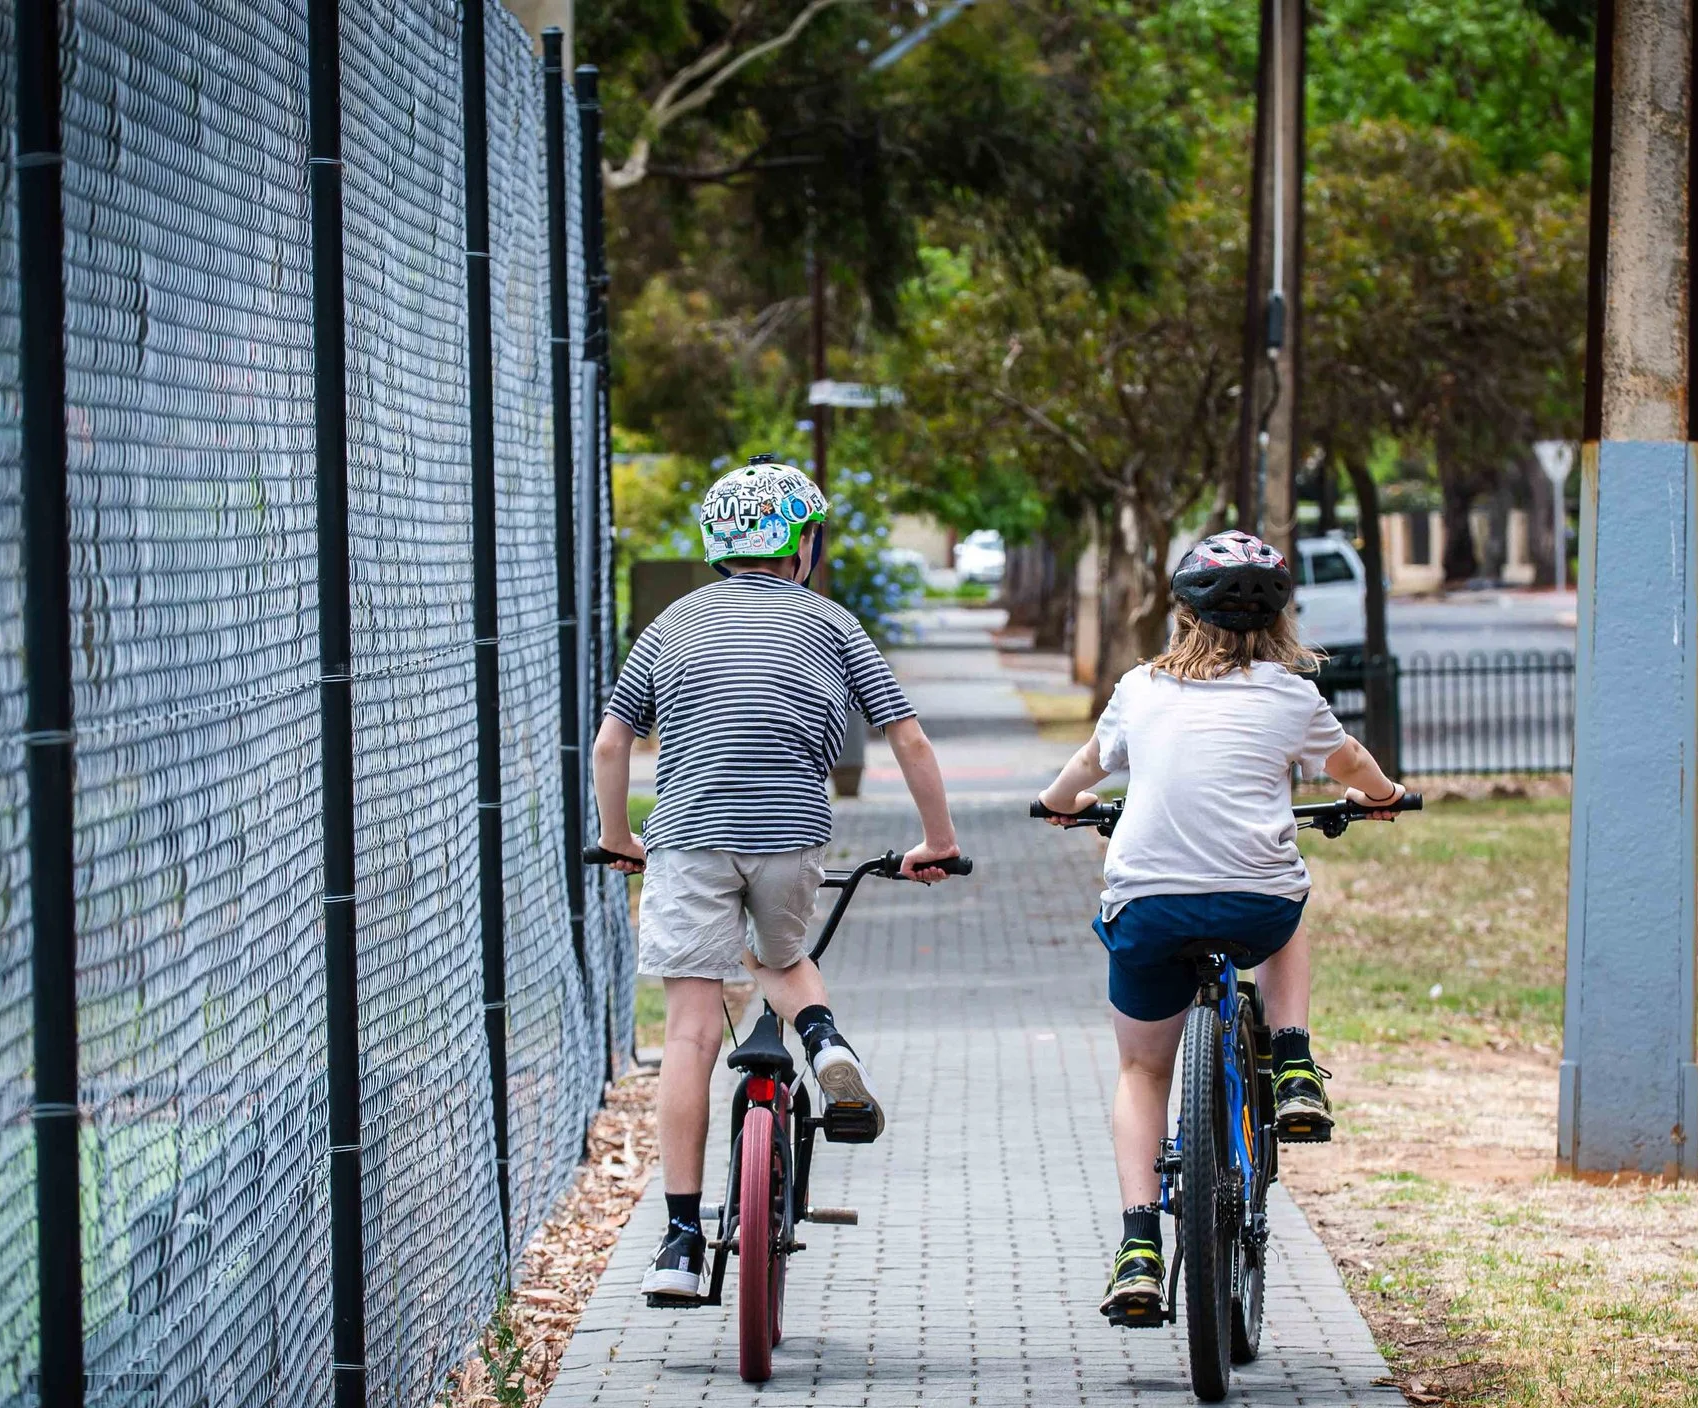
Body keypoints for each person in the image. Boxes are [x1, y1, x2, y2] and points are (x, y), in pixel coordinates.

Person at [592, 457, 962, 1305]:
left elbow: (612, 745)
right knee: (784, 955)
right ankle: (826, 1038)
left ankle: (682, 1241)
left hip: (686, 839)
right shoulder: (833, 625)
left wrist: (619, 836)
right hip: (790, 836)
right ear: (804, 544)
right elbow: (906, 737)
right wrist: (936, 839)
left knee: (690, 1028)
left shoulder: (670, 624)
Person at [1030, 530, 1405, 1327]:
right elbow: (1353, 765)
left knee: (1141, 1072)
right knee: (1287, 906)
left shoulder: (1140, 689)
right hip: (1252, 903)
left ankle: (1138, 1245)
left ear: (1181, 613)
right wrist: (1383, 794)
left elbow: (1081, 774)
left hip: (1149, 908)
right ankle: (1295, 1063)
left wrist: (1059, 805)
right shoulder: (1293, 696)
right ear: (1278, 620)